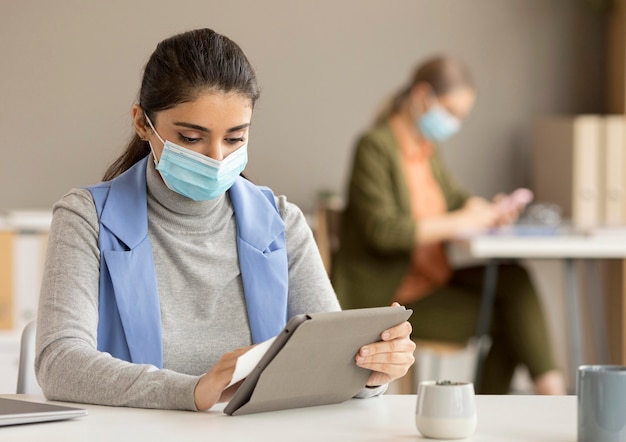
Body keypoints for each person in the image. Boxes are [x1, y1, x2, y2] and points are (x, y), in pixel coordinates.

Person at [35, 28, 415, 411]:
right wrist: (191, 390)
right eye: (190, 138)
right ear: (141, 123)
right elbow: (59, 364)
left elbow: (330, 361)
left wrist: (369, 372)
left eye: (235, 139)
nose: (216, 158)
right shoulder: (86, 218)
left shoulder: (283, 222)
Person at [331, 55, 565, 395]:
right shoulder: (375, 147)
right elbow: (383, 232)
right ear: (422, 96)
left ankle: (548, 393)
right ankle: (549, 399)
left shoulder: (427, 149)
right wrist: (460, 220)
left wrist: (488, 210)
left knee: (515, 279)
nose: (454, 123)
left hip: (433, 279)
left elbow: (456, 199)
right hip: (395, 298)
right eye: (451, 112)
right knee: (513, 323)